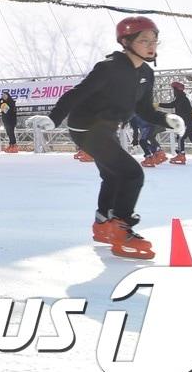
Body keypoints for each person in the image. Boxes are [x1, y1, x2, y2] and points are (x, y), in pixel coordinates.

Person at [49, 16, 182, 260]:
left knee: (112, 175)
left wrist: (165, 119)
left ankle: (102, 224)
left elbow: (144, 109)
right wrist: (54, 118)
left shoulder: (145, 73)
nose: (151, 46)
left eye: (154, 40)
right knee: (132, 174)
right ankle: (120, 230)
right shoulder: (109, 67)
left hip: (107, 128)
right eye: (144, 40)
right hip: (86, 128)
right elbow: (77, 94)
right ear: (125, 41)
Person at [159, 81, 192, 165]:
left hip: (186, 123)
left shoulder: (181, 98)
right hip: (190, 122)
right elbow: (188, 109)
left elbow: (171, 105)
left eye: (173, 89)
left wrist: (158, 104)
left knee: (180, 138)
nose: (173, 91)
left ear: (176, 90)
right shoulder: (183, 98)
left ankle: (181, 155)